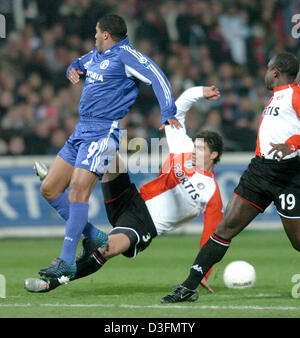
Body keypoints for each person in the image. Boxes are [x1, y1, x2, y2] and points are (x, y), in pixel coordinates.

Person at [25, 85, 223, 298]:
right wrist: (200, 92)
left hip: (144, 223)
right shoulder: (183, 150)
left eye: (200, 149)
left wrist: (204, 271)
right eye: (195, 146)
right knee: (107, 151)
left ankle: (51, 282)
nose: (194, 151)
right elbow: (179, 110)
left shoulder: (211, 192)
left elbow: (212, 235)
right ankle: (64, 180)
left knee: (105, 249)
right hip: (131, 198)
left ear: (213, 156)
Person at [37, 14, 180, 281]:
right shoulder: (97, 55)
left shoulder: (127, 56)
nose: (94, 36)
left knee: (78, 190)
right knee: (49, 188)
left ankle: (66, 261)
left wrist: (167, 111)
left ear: (105, 34)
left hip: (104, 132)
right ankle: (93, 236)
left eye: (96, 32)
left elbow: (157, 76)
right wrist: (73, 66)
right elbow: (81, 62)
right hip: (81, 129)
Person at [160, 51, 300, 303]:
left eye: (269, 68)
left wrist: (290, 145)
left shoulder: (296, 96)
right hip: (259, 172)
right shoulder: (275, 98)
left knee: (298, 241)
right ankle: (190, 285)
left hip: (289, 176)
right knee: (225, 228)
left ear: (276, 72)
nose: (266, 73)